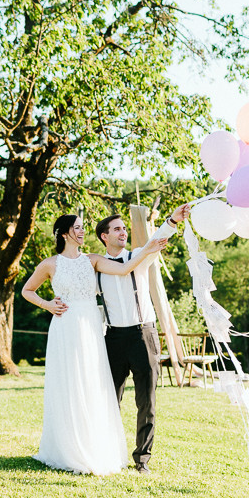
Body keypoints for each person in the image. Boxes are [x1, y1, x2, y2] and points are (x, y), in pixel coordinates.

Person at [21, 214, 167, 475]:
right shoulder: (50, 264)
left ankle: (99, 448)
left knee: (92, 387)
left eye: (82, 227)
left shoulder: (93, 261)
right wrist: (48, 304)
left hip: (91, 329)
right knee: (69, 385)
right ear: (64, 233)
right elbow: (27, 290)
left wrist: (148, 249)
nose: (81, 231)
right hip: (65, 328)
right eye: (77, 227)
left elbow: (124, 268)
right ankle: (67, 448)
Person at [95, 203, 190, 475]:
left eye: (124, 228)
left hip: (143, 335)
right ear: (104, 236)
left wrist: (173, 219)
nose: (123, 232)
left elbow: (158, 238)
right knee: (110, 399)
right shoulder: (97, 266)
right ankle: (107, 452)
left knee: (146, 401)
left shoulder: (140, 255)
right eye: (117, 229)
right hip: (112, 338)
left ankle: (142, 460)